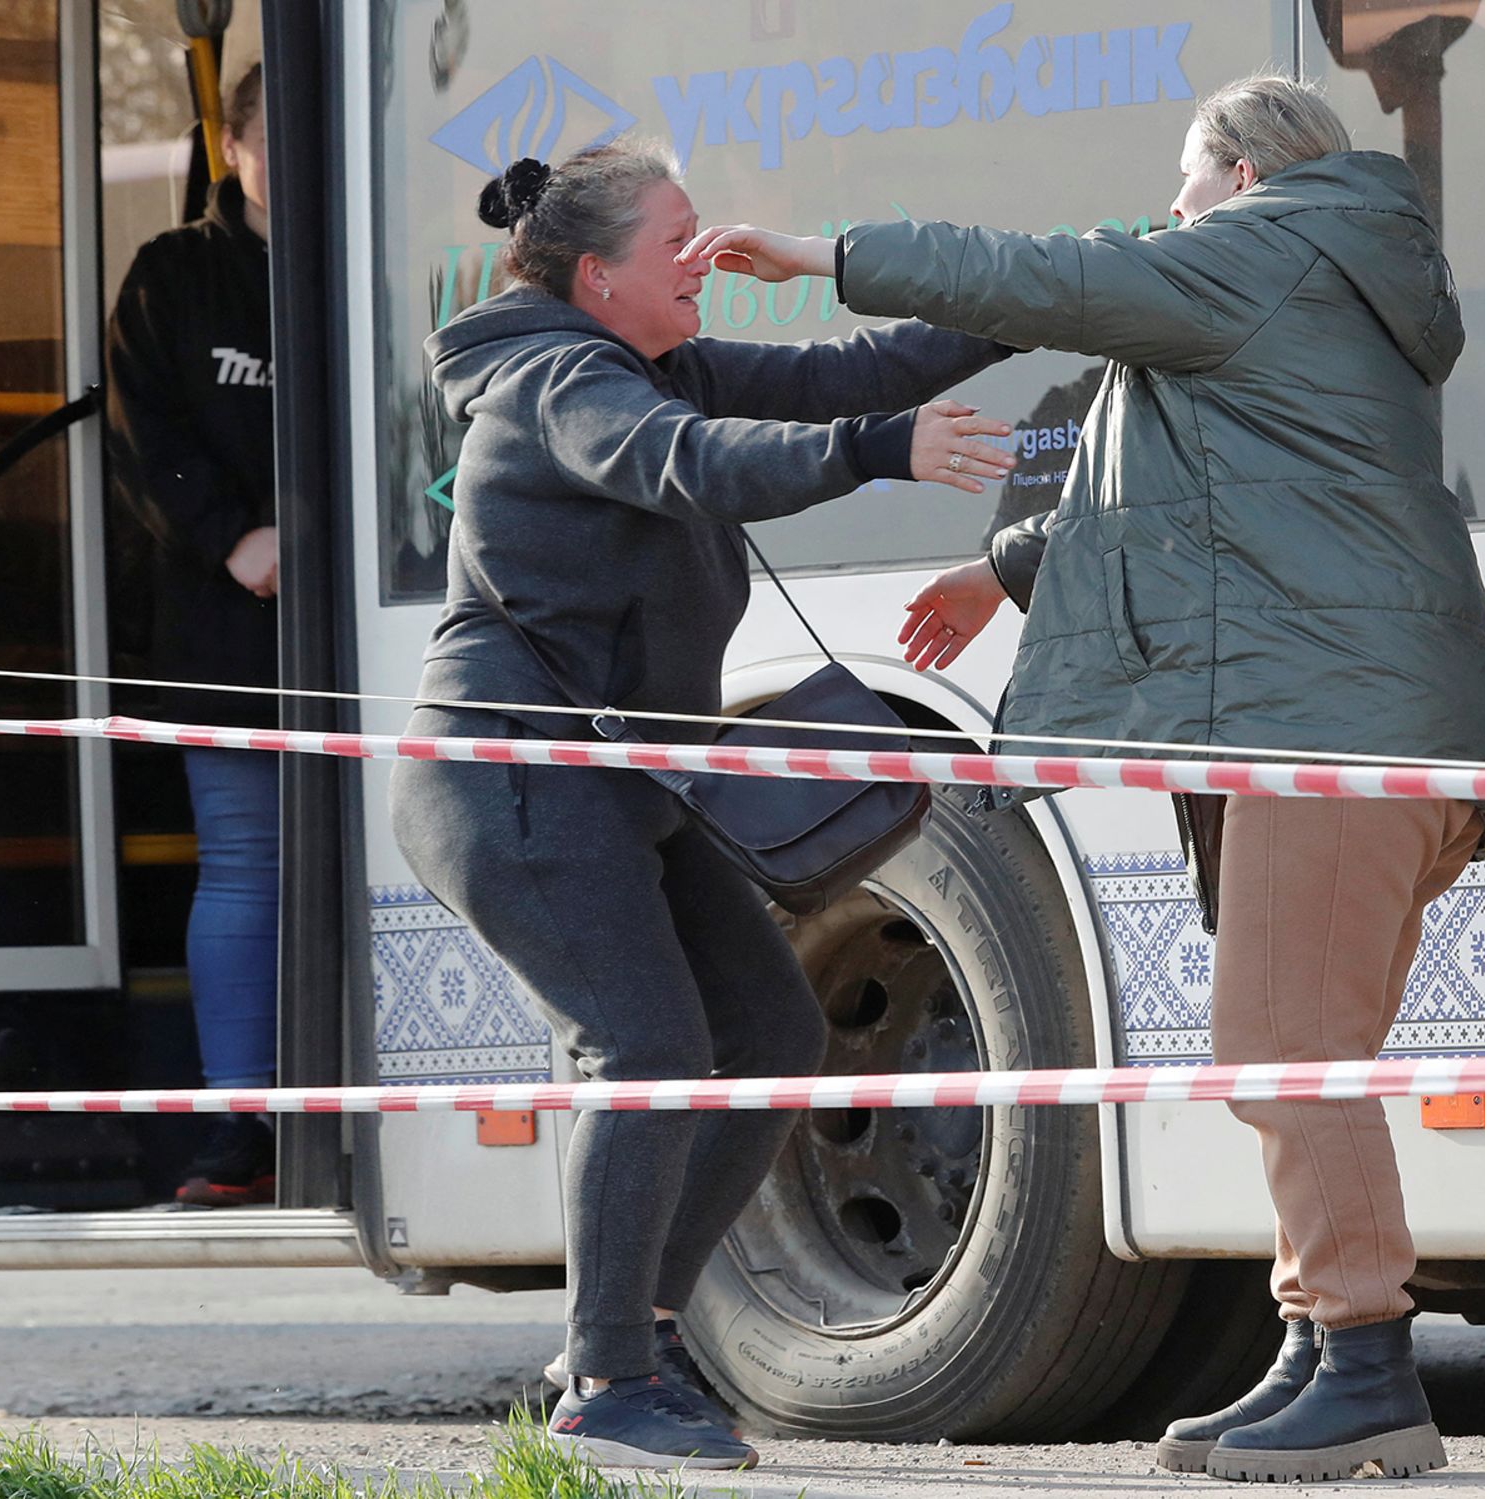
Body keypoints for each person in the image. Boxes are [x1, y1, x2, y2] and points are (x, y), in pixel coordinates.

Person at [679, 73, 1485, 1484]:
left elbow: (1040, 276)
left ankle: (1366, 1360)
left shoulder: (1265, 249)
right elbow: (1183, 501)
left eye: (1184, 179)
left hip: (1330, 735)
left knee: (1285, 1049)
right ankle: (1318, 1345)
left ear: (1241, 175)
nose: (1168, 209)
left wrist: (822, 256)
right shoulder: (1311, 278)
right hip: (1352, 724)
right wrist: (998, 569)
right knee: (1296, 1050)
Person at [388, 139, 1017, 1471]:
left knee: (772, 1030)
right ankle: (607, 1374)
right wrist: (881, 451)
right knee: (648, 1045)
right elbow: (695, 463)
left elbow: (851, 371)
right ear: (599, 276)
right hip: (514, 778)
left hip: (624, 781)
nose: (705, 252)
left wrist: (1036, 301)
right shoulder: (561, 378)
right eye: (674, 239)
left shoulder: (653, 355)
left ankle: (627, 1330)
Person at [105, 62, 280, 1207]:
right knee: (248, 865)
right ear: (234, 149)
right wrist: (234, 538)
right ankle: (243, 1128)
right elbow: (141, 433)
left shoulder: (371, 267)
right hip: (225, 628)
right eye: (283, 140)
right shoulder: (171, 277)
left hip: (388, 628)